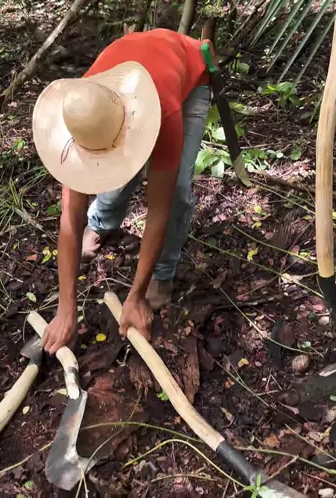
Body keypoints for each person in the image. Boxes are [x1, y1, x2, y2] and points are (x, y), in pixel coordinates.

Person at [32, 28, 212, 354]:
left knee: (177, 191)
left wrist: (136, 295)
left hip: (187, 79)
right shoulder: (82, 110)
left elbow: (158, 208)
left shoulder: (166, 110)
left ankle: (163, 272)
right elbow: (70, 218)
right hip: (136, 68)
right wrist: (65, 309)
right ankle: (101, 223)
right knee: (115, 179)